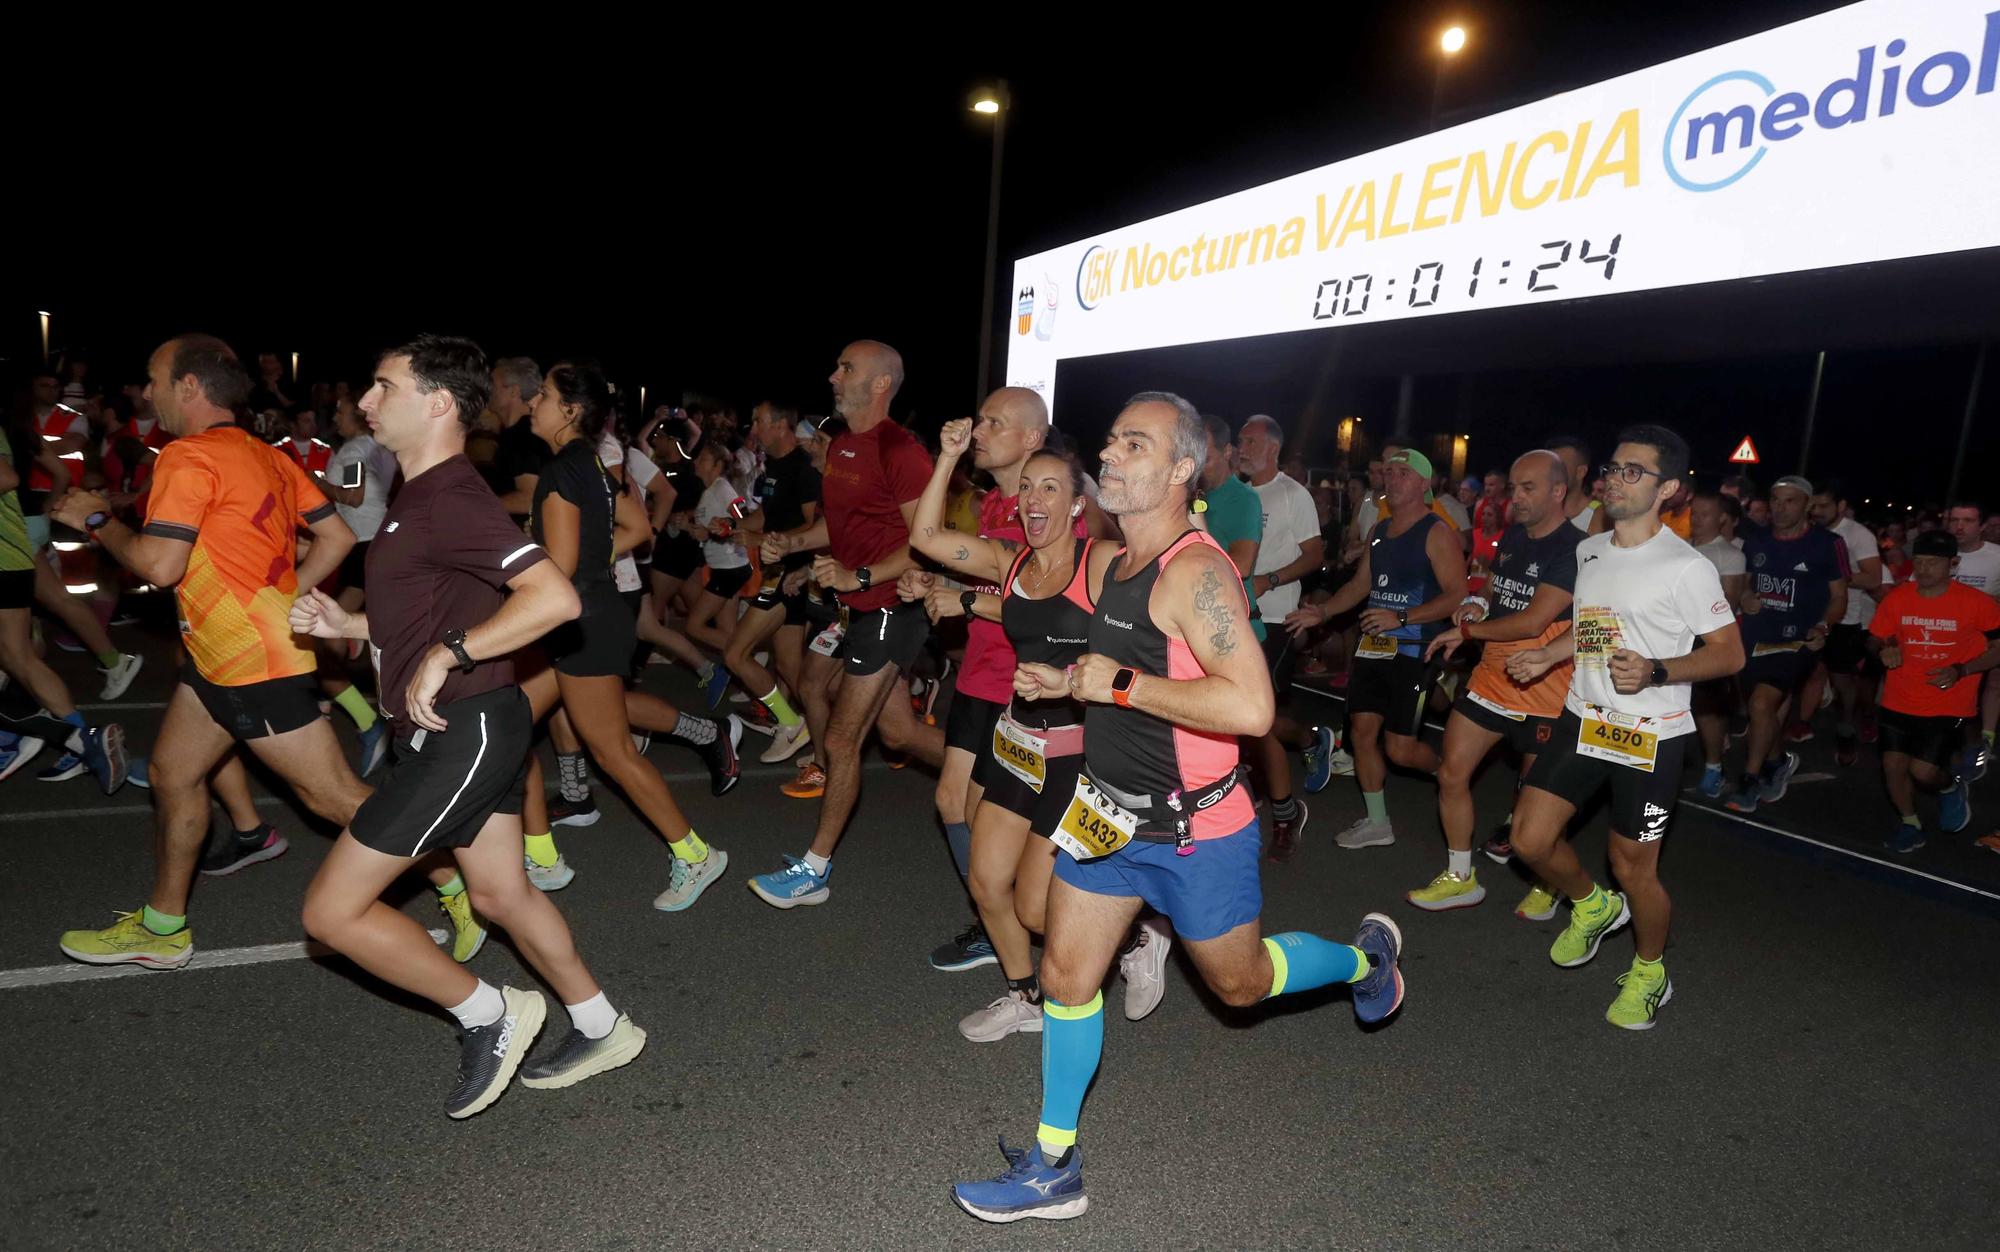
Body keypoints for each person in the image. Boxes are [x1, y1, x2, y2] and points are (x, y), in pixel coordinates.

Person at [949, 392, 1405, 1223]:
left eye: (1136, 444)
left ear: (1183, 469)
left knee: (1239, 984)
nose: (1112, 456)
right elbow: (1133, 674)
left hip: (1195, 830)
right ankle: (1055, 1164)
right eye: (1113, 441)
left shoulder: (1193, 570)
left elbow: (1251, 710)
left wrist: (1116, 683)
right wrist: (1070, 683)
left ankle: (1364, 962)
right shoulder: (1116, 561)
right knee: (1064, 974)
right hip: (1108, 817)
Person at [291, 334, 644, 1117]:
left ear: (439, 403)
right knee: (501, 894)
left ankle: (491, 1012)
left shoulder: (449, 496)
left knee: (330, 914)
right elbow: (424, 615)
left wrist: (452, 653)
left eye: (384, 387)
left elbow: (555, 600)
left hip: (465, 729)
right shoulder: (417, 493)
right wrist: (345, 623)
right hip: (468, 723)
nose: (367, 402)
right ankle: (602, 1023)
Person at [52, 335, 482, 969]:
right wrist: (279, 598)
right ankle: (164, 928)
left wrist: (94, 520)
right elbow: (334, 538)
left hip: (251, 663)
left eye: (155, 379)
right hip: (217, 658)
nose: (148, 393)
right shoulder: (266, 455)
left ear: (189, 388)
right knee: (173, 775)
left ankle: (460, 886)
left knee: (333, 797)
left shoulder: (187, 456)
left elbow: (160, 564)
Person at [1501, 425, 1742, 1029]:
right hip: (1585, 719)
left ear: (1671, 491)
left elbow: (1730, 654)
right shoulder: (1590, 549)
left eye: (1634, 471)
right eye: (1614, 467)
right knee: (1528, 842)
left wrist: (1659, 669)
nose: (1615, 478)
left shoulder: (1687, 568)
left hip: (1651, 736)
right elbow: (1595, 625)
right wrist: (1551, 655)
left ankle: (1650, 971)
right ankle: (1592, 905)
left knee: (1633, 866)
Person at [910, 419, 1102, 1037]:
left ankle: (1131, 936)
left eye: (1051, 488)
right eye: (1028, 488)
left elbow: (1140, 647)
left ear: (1076, 504)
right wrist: (946, 459)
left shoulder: (1100, 568)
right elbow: (929, 535)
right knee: (987, 881)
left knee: (1036, 907)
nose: (1035, 499)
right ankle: (1026, 997)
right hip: (1017, 742)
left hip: (1078, 754)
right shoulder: (1009, 560)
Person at [747, 341, 945, 908]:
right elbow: (841, 528)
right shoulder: (843, 447)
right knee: (900, 735)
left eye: (847, 368)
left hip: (891, 606)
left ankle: (814, 869)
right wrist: (795, 544)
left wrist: (860, 577)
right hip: (858, 604)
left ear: (880, 383)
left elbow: (926, 546)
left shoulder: (901, 451)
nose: (834, 375)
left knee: (841, 736)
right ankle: (992, 769)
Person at [528, 361, 730, 910]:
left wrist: (515, 569)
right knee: (511, 724)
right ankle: (539, 855)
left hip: (580, 622)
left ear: (570, 411)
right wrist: (587, 561)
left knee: (613, 751)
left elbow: (562, 564)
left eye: (543, 395)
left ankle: (694, 853)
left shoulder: (563, 471)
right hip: (591, 613)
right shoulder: (591, 463)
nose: (532, 402)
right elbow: (628, 533)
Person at [1412, 450, 1581, 916]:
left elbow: (1534, 621)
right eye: (1514, 487)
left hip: (1545, 689)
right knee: (1451, 772)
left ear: (1558, 491)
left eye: (1528, 488)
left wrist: (1465, 630)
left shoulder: (1575, 549)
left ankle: (1551, 883)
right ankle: (1460, 874)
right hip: (1493, 678)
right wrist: (1477, 606)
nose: (1516, 498)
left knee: (1537, 801)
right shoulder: (1513, 537)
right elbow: (1493, 589)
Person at [1286, 448, 1466, 849]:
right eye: (1389, 472)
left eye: (1403, 473)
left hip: (1415, 646)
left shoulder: (1437, 532)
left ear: (1424, 484)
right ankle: (1377, 821)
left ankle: (1449, 774)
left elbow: (1457, 595)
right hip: (1374, 646)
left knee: (1399, 750)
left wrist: (1402, 618)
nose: (1392, 478)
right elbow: (1360, 586)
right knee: (1362, 732)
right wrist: (1324, 612)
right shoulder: (1380, 531)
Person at [0, 422, 126, 793]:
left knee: (18, 658)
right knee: (18, 659)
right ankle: (75, 739)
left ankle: (74, 739)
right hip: (10, 559)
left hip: (4, 560)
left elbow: (6, 477)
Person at [1865, 529, 2000, 853]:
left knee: (1923, 771)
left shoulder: (1976, 603)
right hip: (1898, 699)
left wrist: (1961, 670)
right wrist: (1886, 647)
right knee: (1893, 766)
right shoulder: (1899, 597)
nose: (1923, 570)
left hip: (1949, 705)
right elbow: (1874, 638)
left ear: (1952, 564)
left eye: (1933, 563)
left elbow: (1998, 648)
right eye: (1919, 562)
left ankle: (1949, 786)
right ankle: (1910, 823)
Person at [1724, 476, 1847, 814]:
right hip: (1756, 636)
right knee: (1760, 710)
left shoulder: (1827, 543)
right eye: (1775, 500)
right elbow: (1746, 585)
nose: (1780, 508)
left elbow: (1839, 597)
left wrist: (1824, 625)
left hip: (1798, 640)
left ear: (1807, 505)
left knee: (1762, 706)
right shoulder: (1756, 541)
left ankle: (1748, 781)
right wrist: (1746, 597)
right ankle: (1777, 760)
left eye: (1790, 501)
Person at [1236, 414, 1326, 857]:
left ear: (1272, 447)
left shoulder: (1294, 494)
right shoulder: (1234, 494)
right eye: (1240, 441)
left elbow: (1314, 556)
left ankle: (1286, 810)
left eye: (1250, 441)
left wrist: (1269, 580)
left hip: (1276, 618)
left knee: (1262, 719)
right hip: (1233, 618)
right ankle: (1306, 740)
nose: (1242, 448)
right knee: (1237, 714)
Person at [719, 404, 820, 766]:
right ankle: (828, 743)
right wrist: (738, 527)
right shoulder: (773, 466)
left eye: (759, 420)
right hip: (778, 573)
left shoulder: (805, 468)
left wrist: (772, 540)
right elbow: (769, 516)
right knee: (793, 671)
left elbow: (815, 526)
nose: (753, 426)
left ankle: (792, 723)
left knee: (735, 654)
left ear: (780, 425)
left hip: (792, 576)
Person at [313, 395, 399, 775]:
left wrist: (312, 482)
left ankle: (376, 722)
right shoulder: (375, 446)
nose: (335, 415)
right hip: (375, 544)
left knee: (323, 639)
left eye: (339, 410)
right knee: (370, 630)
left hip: (364, 546)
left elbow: (353, 495)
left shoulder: (355, 450)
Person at [1805, 482, 1882, 766]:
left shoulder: (1858, 534)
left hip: (1845, 619)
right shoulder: (1807, 530)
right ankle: (1794, 727)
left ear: (1840, 506)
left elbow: (1873, 578)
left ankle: (1846, 729)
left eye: (1824, 506)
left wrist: (1833, 575)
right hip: (1807, 615)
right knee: (1802, 674)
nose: (1817, 511)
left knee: (1841, 681)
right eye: (1813, 505)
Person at [1689, 490, 1749, 798]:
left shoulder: (1729, 554)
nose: (1696, 519)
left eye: (1705, 514)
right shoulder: (1680, 548)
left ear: (1722, 518)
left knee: (1706, 708)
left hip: (1706, 639)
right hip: (1674, 636)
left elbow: (1730, 601)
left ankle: (1714, 768)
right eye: (1694, 513)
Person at [1943, 502, 2000, 781]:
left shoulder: (1996, 556)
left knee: (1990, 684)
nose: (1960, 527)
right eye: (1954, 520)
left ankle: (1982, 742)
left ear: (1982, 525)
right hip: (1945, 635)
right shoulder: (1939, 550)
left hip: (1986, 636)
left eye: (1967, 520)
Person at [1546, 435, 1605, 536]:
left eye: (1560, 466)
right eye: (1549, 467)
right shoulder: (1540, 511)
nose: (1552, 473)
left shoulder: (1599, 517)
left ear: (1581, 472)